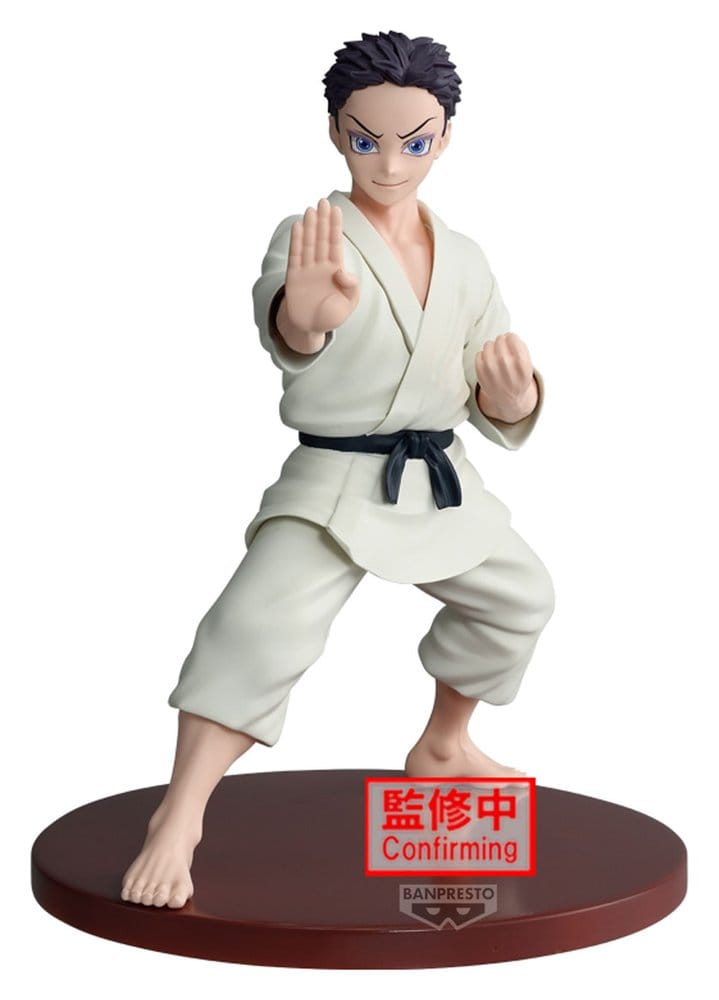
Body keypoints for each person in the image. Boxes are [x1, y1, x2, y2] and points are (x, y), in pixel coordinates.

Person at [121, 30, 554, 909]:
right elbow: (286, 326)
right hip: (335, 478)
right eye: (366, 139)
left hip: (436, 478)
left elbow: (487, 371)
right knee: (252, 629)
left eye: (413, 142)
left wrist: (511, 399)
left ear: (444, 138)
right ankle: (180, 813)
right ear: (334, 132)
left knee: (520, 598)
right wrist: (303, 318)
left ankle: (443, 745)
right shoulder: (312, 233)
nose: (389, 164)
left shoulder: (464, 257)